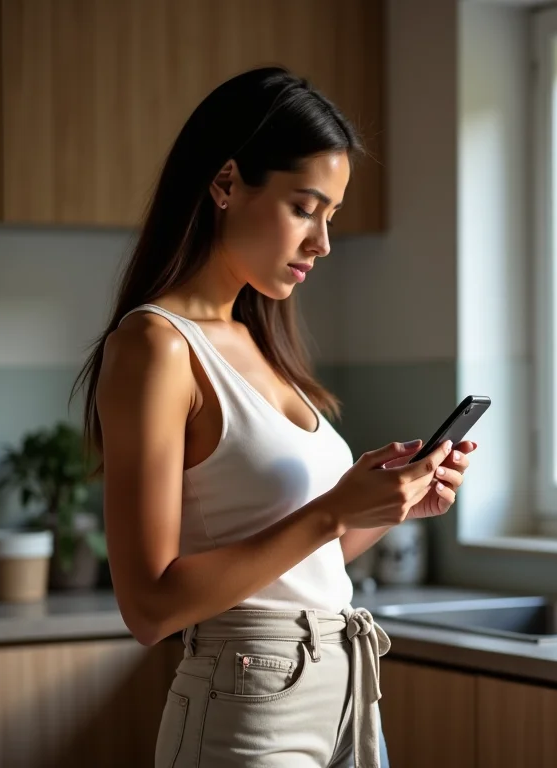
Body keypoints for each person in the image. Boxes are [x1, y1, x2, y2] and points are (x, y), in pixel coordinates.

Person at [72, 67, 474, 768]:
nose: (322, 240)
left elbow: (294, 564)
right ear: (226, 184)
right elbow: (149, 606)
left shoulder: (262, 340)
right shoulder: (154, 346)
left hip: (346, 692)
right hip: (246, 704)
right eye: (304, 207)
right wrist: (329, 511)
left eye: (331, 215)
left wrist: (386, 507)